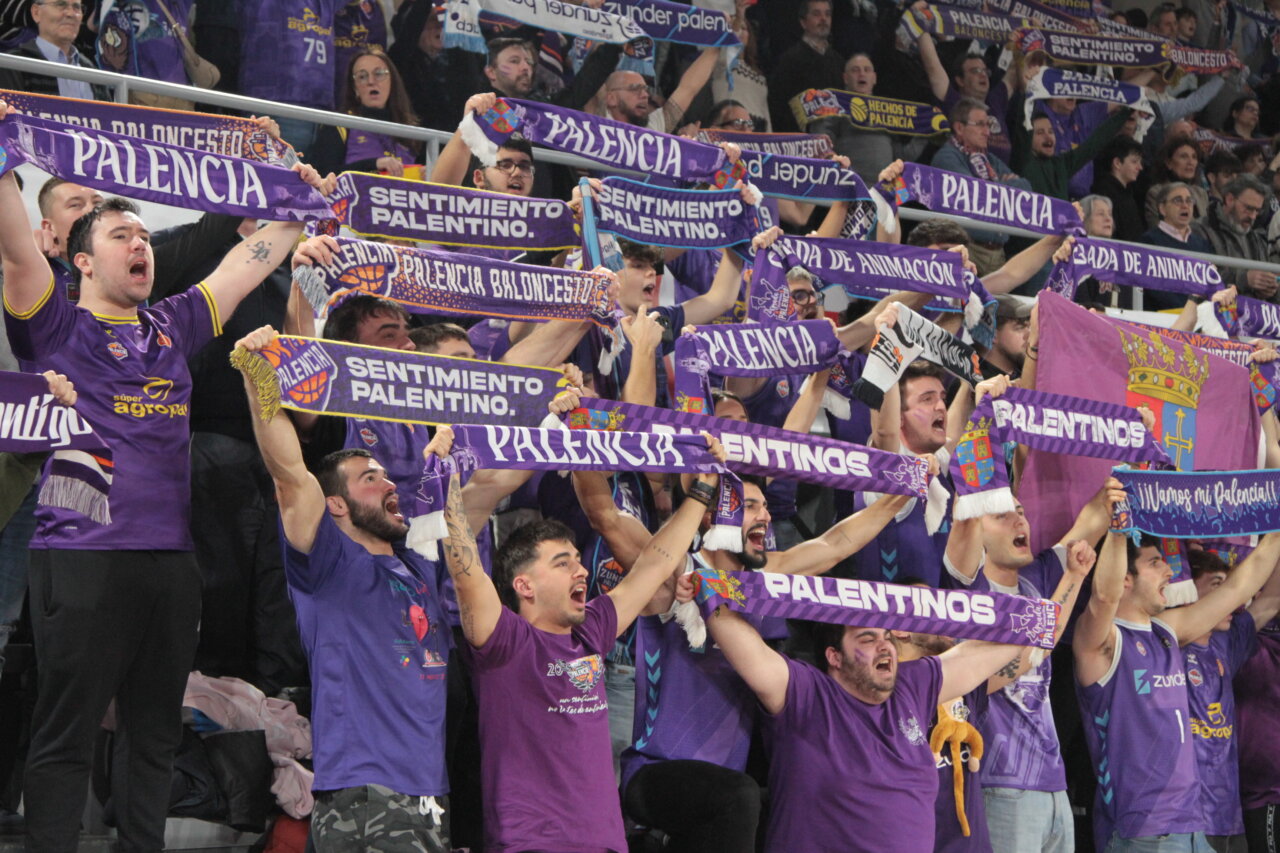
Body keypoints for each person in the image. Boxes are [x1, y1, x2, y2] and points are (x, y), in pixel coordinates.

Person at [0, 94, 326, 851]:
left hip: (171, 566)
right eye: (122, 234)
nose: (140, 244)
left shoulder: (173, 324)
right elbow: (17, 244)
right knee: (67, 736)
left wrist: (294, 195)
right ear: (82, 259)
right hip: (80, 559)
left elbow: (253, 262)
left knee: (153, 734)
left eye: (145, 233)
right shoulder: (53, 320)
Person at [432, 421, 727, 853]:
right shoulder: (503, 642)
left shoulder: (592, 630)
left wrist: (701, 492)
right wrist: (446, 477)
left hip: (605, 844)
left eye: (577, 559)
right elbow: (465, 571)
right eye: (562, 562)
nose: (582, 571)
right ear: (524, 586)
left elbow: (655, 564)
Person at [233, 325, 452, 850]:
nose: (389, 483)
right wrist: (256, 373)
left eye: (385, 475)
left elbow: (486, 485)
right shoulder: (327, 563)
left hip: (430, 793)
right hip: (366, 790)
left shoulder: (417, 565)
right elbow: (290, 474)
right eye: (369, 478)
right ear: (337, 504)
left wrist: (556, 414)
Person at [609, 474, 912, 852]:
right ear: (711, 517)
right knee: (740, 796)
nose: (766, 516)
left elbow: (835, 544)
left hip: (725, 800)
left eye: (766, 506)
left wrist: (903, 490)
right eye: (750, 506)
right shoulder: (674, 572)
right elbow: (604, 515)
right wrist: (574, 434)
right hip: (656, 774)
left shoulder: (761, 582)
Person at [699, 576, 1062, 851]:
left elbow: (977, 655)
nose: (884, 645)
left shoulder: (912, 686)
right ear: (834, 657)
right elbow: (744, 646)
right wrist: (708, 586)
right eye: (867, 639)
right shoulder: (806, 693)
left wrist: (1032, 619)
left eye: (887, 636)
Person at [945, 442, 1125, 853]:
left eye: (1020, 511)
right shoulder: (967, 590)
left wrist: (1132, 448)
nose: (1017, 519)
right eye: (1001, 514)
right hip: (998, 783)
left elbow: (1095, 514)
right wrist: (981, 425)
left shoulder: (1038, 578)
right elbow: (1031, 652)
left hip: (1052, 783)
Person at [1074, 526, 1280, 851]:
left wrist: (1276, 535)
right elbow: (1103, 597)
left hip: (1193, 826)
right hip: (1142, 831)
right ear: (1125, 578)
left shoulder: (1168, 632)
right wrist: (1118, 529)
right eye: (1155, 563)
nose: (1169, 570)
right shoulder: (1101, 642)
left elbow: (1241, 587)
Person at [1182, 548, 1280, 853]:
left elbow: (1270, 599)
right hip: (1181, 819)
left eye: (1229, 587)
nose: (1230, 598)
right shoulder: (1162, 643)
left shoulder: (1229, 641)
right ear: (1184, 590)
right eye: (1216, 586)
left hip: (1228, 815)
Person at [931, 98, 1032, 274]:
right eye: (980, 125)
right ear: (959, 128)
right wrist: (1003, 183)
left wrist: (992, 185)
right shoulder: (946, 158)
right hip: (966, 251)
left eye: (988, 125)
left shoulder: (988, 160)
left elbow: (1025, 189)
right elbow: (973, 194)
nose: (987, 132)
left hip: (997, 254)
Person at [310, 46, 421, 178]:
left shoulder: (410, 130)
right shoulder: (340, 125)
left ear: (392, 82)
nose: (371, 82)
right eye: (362, 76)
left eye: (379, 74)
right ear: (354, 88)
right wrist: (373, 165)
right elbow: (322, 175)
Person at [917, 25, 1017, 164]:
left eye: (984, 71)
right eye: (975, 71)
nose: (983, 75)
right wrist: (919, 23)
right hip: (964, 174)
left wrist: (1027, 36)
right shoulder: (954, 100)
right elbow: (932, 66)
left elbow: (1014, 70)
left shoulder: (995, 100)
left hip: (999, 178)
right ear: (960, 80)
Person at [387, 0, 484, 133]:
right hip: (417, 141)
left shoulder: (462, 60)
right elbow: (410, 29)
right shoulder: (401, 58)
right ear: (419, 27)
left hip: (456, 140)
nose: (440, 27)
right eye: (433, 20)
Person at [1192, 174, 1279, 301]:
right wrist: (1245, 280)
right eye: (1248, 208)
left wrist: (1270, 289)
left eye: (1257, 211)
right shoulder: (1200, 230)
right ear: (1229, 199)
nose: (1253, 216)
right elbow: (1197, 277)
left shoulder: (1256, 239)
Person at [0, 0, 107, 100]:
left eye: (77, 7)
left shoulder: (93, 72)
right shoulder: (11, 67)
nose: (71, 13)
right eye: (60, 5)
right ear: (36, 13)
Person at [1017, 108, 1129, 200]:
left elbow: (1095, 142)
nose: (1048, 137)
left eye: (1051, 131)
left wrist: (1127, 110)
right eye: (1040, 133)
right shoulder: (1024, 160)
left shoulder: (1062, 164)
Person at [767, 0, 843, 133]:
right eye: (816, 14)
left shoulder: (838, 61)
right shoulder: (789, 60)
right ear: (803, 22)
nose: (823, 19)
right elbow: (778, 106)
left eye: (827, 14)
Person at [1141, 182, 1215, 309]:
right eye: (1177, 200)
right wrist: (1189, 310)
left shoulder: (1201, 243)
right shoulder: (1150, 241)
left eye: (1189, 201)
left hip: (1199, 317)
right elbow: (1154, 289)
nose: (1185, 205)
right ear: (1162, 209)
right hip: (1164, 316)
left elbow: (1210, 283)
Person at [1092, 135, 1148, 243]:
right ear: (1117, 163)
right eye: (1134, 161)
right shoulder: (1103, 193)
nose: (1140, 167)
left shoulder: (1127, 193)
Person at [1145, 135, 1210, 225]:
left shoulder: (1201, 193)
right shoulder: (1157, 193)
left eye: (1194, 157)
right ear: (1169, 163)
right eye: (1184, 157)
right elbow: (1158, 229)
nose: (1190, 162)